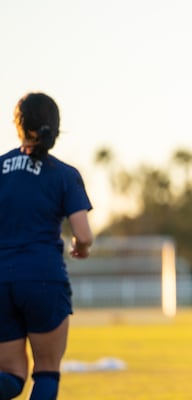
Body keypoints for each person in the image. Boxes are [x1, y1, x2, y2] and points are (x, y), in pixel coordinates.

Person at [0, 92, 93, 399]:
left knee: (11, 376)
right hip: (43, 278)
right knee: (46, 371)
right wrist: (81, 247)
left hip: (2, 280)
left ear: (18, 125)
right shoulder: (64, 174)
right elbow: (84, 233)